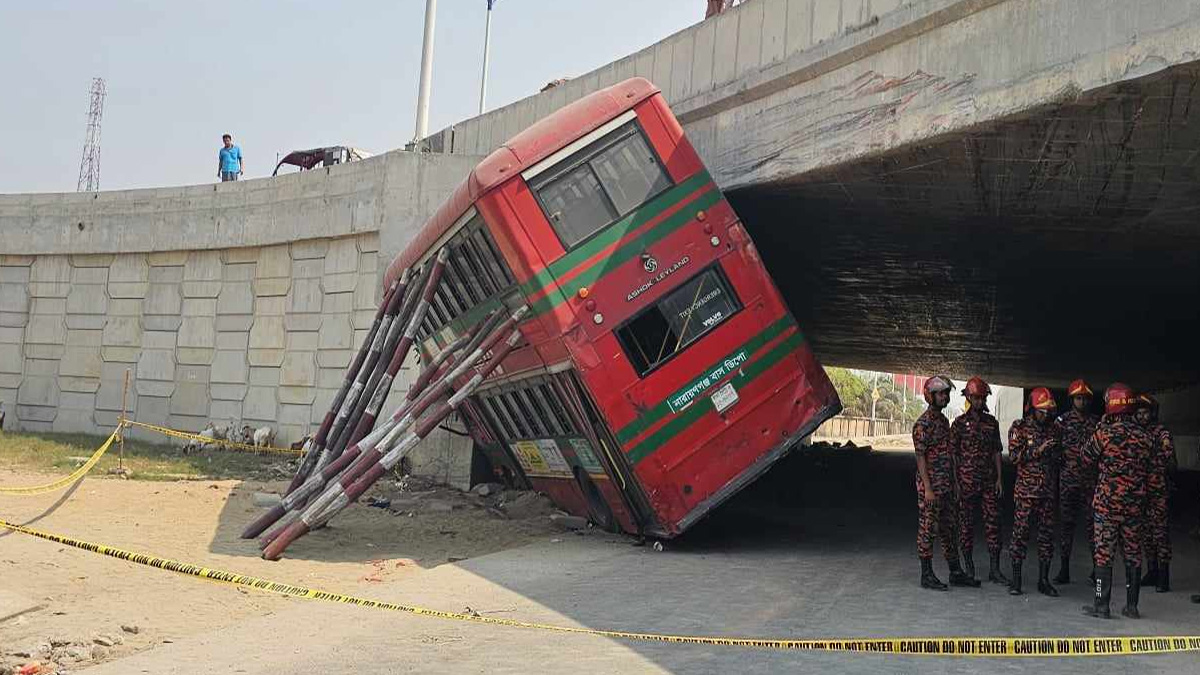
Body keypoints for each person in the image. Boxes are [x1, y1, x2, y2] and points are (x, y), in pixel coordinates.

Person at [1081, 383, 1152, 619]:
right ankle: (1132, 606)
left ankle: (1101, 605)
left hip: (1107, 506)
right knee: (1133, 555)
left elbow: (1085, 457)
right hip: (1134, 507)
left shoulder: (1104, 433)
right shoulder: (1145, 436)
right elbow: (1151, 466)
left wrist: (1100, 427)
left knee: (1104, 555)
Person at [912, 375, 974, 590]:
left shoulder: (943, 421)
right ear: (930, 396)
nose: (945, 397)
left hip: (946, 486)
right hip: (931, 489)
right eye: (940, 394)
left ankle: (955, 572)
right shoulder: (922, 424)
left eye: (946, 393)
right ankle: (926, 574)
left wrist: (955, 482)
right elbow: (920, 458)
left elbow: (949, 454)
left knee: (949, 529)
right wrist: (928, 489)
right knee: (928, 529)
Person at [1007, 387, 1061, 597]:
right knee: (1020, 535)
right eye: (1041, 411)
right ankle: (1016, 581)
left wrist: (1055, 453)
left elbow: (1060, 457)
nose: (1045, 415)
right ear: (1032, 409)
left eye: (1048, 412)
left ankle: (1043, 580)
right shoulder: (1019, 427)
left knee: (1046, 538)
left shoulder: (1055, 429)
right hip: (1026, 494)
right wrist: (1038, 451)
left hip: (1047, 493)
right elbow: (1014, 457)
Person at [951, 377, 1004, 585]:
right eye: (976, 398)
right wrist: (956, 482)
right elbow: (953, 455)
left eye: (982, 398)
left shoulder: (992, 423)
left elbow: (997, 451)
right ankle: (969, 566)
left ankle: (994, 569)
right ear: (968, 398)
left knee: (993, 524)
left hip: (988, 483)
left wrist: (999, 478)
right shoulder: (958, 425)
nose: (979, 401)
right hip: (966, 483)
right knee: (966, 525)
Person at [1053, 379, 1100, 584]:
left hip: (1090, 483)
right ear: (1072, 399)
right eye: (1078, 398)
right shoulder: (1061, 422)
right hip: (1068, 482)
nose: (1082, 402)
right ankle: (1064, 569)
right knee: (1066, 525)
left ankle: (1097, 569)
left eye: (1085, 398)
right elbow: (1054, 447)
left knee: (1094, 527)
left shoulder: (1097, 423)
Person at [1136, 393, 1175, 592]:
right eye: (1139, 413)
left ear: (1152, 413)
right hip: (1140, 492)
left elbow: (1170, 459)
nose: (1142, 417)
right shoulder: (1134, 432)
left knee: (1160, 533)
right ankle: (1152, 571)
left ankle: (1164, 576)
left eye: (1146, 413)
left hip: (1158, 491)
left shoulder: (1161, 433)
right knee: (1145, 534)